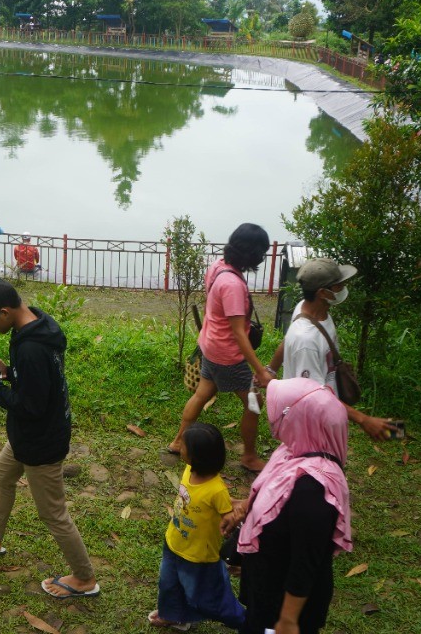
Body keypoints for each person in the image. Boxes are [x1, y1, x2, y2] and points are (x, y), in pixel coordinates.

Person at [0, 279, 99, 600]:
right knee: (2, 474)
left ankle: (84, 577)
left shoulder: (32, 347)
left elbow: (30, 407)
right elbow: (37, 382)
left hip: (41, 441)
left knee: (53, 514)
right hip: (27, 435)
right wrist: (7, 373)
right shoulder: (35, 323)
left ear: (5, 312)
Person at [228, 378, 352, 634]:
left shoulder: (313, 492)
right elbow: (273, 499)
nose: (274, 419)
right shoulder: (293, 452)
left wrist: (288, 620)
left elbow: (306, 561)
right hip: (267, 583)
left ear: (303, 420)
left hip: (282, 607)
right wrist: (244, 508)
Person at [168, 223, 275, 471]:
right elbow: (238, 333)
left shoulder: (218, 266)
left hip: (210, 345)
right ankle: (249, 456)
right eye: (262, 252)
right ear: (253, 253)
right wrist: (260, 371)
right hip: (227, 355)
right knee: (254, 402)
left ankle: (177, 441)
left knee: (202, 393)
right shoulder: (233, 285)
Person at [266, 258, 395, 443]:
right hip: (310, 422)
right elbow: (314, 398)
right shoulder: (306, 340)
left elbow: (286, 340)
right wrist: (364, 420)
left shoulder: (307, 309)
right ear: (322, 292)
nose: (343, 287)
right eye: (339, 285)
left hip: (327, 410)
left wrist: (271, 369)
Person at [148, 423, 246, 631]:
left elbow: (227, 514)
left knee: (209, 600)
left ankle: (247, 623)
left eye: (184, 445)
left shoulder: (216, 490)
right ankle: (173, 615)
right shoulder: (189, 470)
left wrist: (237, 515)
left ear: (195, 456)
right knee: (168, 585)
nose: (179, 447)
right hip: (174, 542)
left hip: (199, 557)